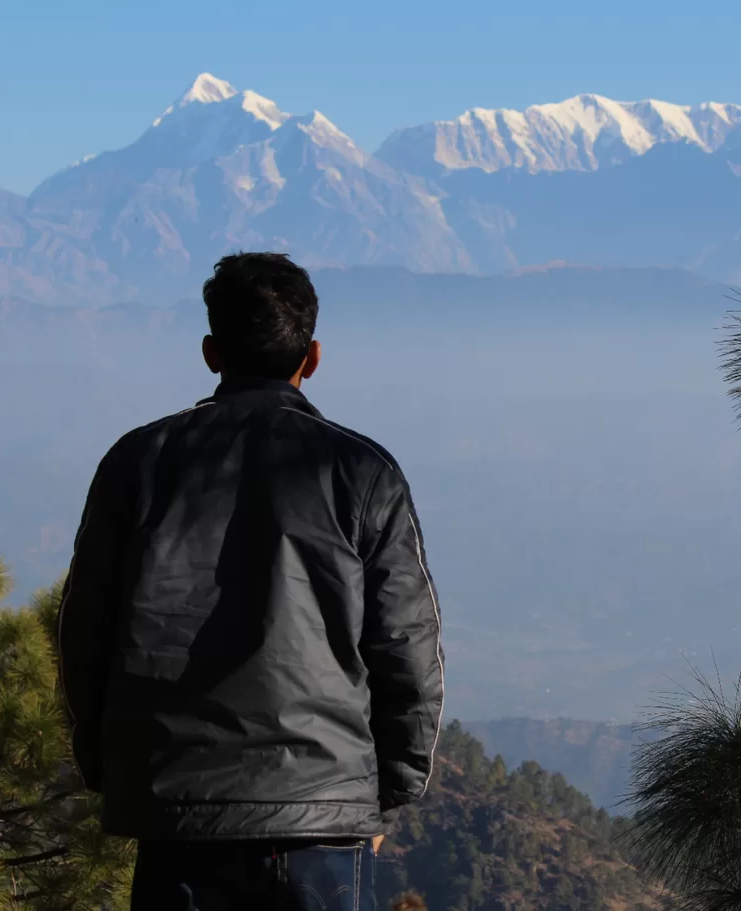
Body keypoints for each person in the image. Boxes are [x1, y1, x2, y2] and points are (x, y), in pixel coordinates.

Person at [57, 252, 445, 911]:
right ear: (313, 356)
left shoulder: (138, 464)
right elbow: (408, 649)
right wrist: (382, 793)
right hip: (323, 823)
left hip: (177, 815)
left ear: (211, 352)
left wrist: (113, 770)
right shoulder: (363, 471)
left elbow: (82, 637)